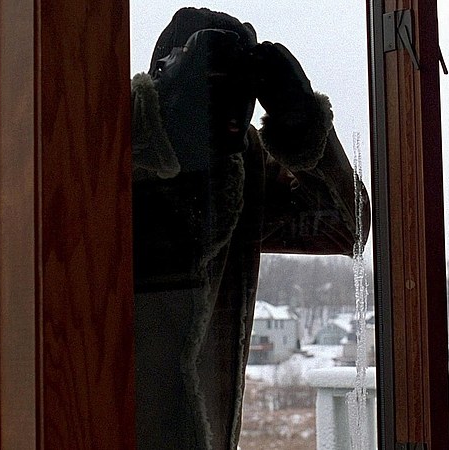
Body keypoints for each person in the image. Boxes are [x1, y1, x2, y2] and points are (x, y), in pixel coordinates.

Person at [131, 7, 370, 449]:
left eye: (237, 81)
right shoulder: (112, 144)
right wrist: (153, 129)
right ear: (160, 79)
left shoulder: (244, 167)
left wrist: (303, 130)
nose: (219, 95)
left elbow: (347, 227)